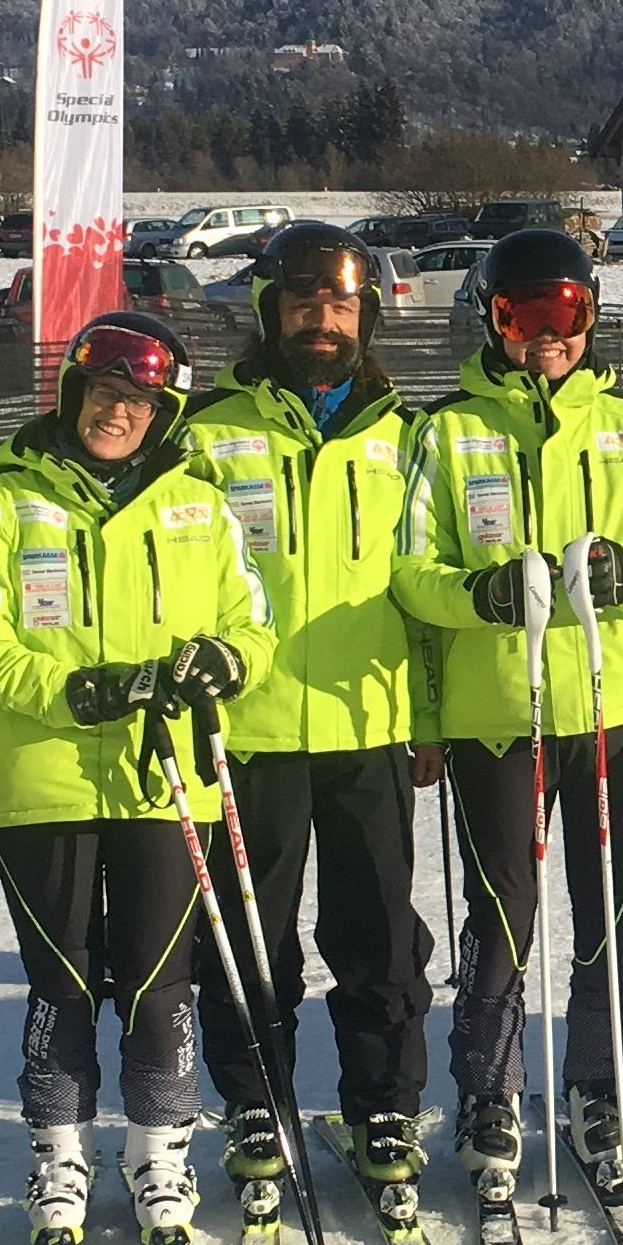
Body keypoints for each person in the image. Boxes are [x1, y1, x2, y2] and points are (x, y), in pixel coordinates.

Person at [0, 313, 271, 1245]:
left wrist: (224, 661)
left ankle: (158, 1150)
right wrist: (70, 691)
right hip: (38, 782)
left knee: (160, 982)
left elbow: (254, 626)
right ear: (71, 393)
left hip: (165, 782)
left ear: (164, 413)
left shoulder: (199, 507)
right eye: (102, 394)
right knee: (60, 980)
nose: (116, 413)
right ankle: (59, 1154)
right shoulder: (7, 503)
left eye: (138, 401)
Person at [393, 226, 623, 1201]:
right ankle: (489, 1088)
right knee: (503, 913)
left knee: (611, 909)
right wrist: (477, 598)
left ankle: (598, 1084)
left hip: (612, 711)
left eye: (564, 314)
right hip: (499, 713)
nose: (546, 335)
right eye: (525, 315)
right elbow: (409, 573)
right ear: (492, 318)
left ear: (590, 315)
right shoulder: (444, 432)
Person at [177, 223, 431, 1187]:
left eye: (340, 305)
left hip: (373, 723)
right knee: (250, 938)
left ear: (365, 316)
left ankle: (385, 1108)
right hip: (248, 731)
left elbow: (425, 581)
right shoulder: (205, 434)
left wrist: (434, 718)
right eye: (301, 302)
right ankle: (256, 1103)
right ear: (267, 312)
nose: (321, 321)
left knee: (378, 937)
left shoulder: (403, 434)